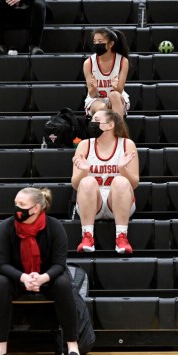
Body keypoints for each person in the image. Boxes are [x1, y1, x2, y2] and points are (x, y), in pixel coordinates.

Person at [0, 187, 81, 355]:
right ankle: (0, 347)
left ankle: (72, 345)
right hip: (17, 277)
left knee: (63, 283)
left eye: (22, 204)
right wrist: (23, 277)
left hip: (47, 277)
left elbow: (59, 264)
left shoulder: (54, 227)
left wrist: (43, 277)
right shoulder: (6, 227)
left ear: (36, 208)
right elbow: (2, 263)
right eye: (16, 203)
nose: (17, 208)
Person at [72, 109, 139, 254]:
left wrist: (123, 169)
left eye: (96, 120)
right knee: (87, 181)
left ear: (110, 125)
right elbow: (75, 185)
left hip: (119, 201)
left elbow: (134, 184)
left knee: (120, 181)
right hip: (91, 203)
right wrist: (83, 171)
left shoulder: (127, 145)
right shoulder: (84, 145)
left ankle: (122, 237)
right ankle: (87, 236)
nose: (92, 123)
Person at [83, 28, 131, 117]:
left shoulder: (123, 61)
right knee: (102, 108)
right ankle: (117, 128)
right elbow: (92, 94)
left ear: (111, 44)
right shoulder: (88, 63)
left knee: (114, 95)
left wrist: (114, 87)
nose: (97, 44)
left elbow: (119, 91)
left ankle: (118, 129)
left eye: (100, 41)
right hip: (96, 99)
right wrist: (94, 87)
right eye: (95, 42)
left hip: (116, 97)